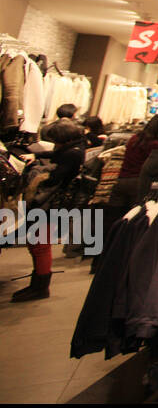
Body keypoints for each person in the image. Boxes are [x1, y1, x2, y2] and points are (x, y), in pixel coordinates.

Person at [12, 117, 86, 302]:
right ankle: (37, 285)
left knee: (40, 245)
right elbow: (56, 159)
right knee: (38, 243)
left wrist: (38, 172)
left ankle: (40, 287)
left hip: (51, 204)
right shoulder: (74, 149)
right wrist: (38, 157)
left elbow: (54, 178)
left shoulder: (72, 153)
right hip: (54, 205)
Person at [107, 111, 158, 219]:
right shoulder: (156, 145)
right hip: (138, 183)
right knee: (131, 218)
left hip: (121, 180)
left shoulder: (134, 138)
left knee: (113, 217)